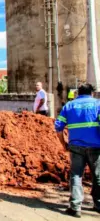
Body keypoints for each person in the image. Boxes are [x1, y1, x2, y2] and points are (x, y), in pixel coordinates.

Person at [54, 83, 100, 218]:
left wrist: (64, 143)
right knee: (98, 176)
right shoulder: (97, 104)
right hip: (96, 146)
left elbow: (58, 127)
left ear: (77, 93)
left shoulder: (69, 105)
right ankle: (98, 204)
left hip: (75, 146)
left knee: (76, 176)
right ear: (91, 93)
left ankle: (75, 207)